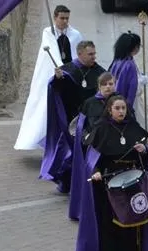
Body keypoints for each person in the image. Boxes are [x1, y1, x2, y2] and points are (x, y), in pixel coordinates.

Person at [76, 95, 148, 251]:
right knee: (108, 221)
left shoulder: (133, 127)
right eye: (117, 108)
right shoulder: (101, 128)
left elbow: (144, 159)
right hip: (108, 181)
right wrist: (96, 171)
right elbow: (91, 159)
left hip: (131, 180)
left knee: (134, 217)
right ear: (109, 110)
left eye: (123, 108)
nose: (121, 111)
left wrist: (143, 151)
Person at [40, 40, 105, 195]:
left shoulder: (99, 71)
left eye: (94, 53)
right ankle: (67, 183)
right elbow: (58, 91)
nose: (93, 57)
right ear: (80, 54)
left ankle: (87, 183)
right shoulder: (67, 70)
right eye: (90, 54)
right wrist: (58, 80)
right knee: (69, 154)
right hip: (72, 119)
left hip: (91, 120)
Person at [15, 4, 82, 151]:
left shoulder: (75, 34)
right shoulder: (48, 32)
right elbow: (50, 51)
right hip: (55, 76)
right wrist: (60, 69)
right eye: (62, 18)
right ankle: (50, 143)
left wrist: (73, 72)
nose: (65, 21)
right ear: (55, 17)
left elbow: (79, 54)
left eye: (67, 18)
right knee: (48, 110)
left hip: (70, 79)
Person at [109, 32, 148, 179]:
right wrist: (140, 82)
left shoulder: (118, 61)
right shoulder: (128, 64)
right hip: (133, 103)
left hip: (128, 102)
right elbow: (131, 87)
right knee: (140, 133)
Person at [66, 71, 119, 222]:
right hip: (96, 146)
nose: (108, 87)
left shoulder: (119, 101)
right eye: (105, 84)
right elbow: (82, 127)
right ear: (99, 86)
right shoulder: (90, 103)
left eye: (111, 84)